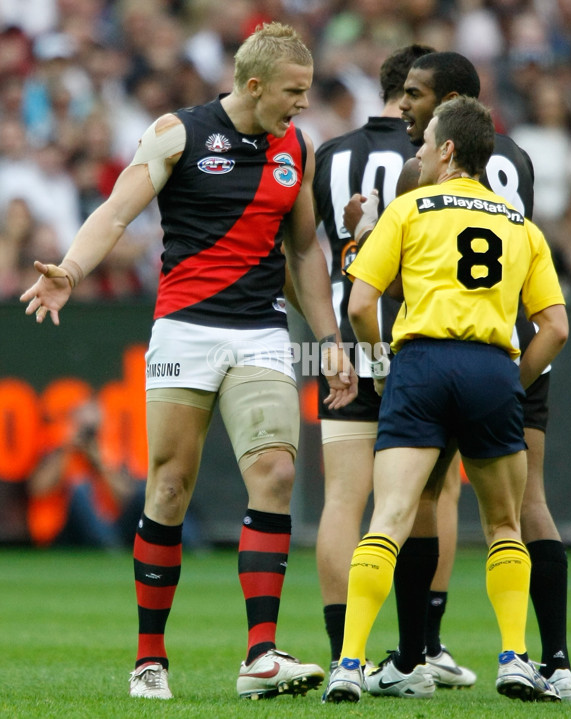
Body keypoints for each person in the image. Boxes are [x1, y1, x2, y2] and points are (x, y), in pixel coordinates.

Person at [20, 22, 357, 701]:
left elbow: (303, 256)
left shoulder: (299, 148)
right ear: (254, 85)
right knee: (169, 486)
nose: (302, 103)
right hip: (184, 331)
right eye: (293, 91)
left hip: (261, 331)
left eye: (308, 91)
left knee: (276, 470)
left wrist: (329, 338)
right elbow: (117, 212)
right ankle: (150, 658)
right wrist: (73, 270)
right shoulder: (178, 132)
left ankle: (261, 653)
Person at [344, 51, 571, 701]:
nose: (412, 147)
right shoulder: (519, 218)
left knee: (389, 513)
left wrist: (385, 367)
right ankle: (521, 656)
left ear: (446, 149)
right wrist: (516, 378)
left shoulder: (411, 207)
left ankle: (353, 663)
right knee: (510, 520)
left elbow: (361, 303)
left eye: (421, 140)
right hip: (495, 366)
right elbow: (556, 324)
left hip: (419, 362)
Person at [311, 44, 472, 691]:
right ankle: (423, 645)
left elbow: (316, 255)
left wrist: (330, 338)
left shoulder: (329, 155)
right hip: (422, 343)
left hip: (352, 339)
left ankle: (342, 647)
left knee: (346, 498)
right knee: (435, 494)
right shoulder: (433, 158)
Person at [27, 398, 145, 549]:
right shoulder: (58, 449)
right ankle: (109, 545)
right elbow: (38, 489)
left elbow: (127, 500)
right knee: (80, 489)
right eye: (83, 428)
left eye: (93, 430)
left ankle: (110, 545)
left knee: (140, 490)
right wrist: (67, 448)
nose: (87, 436)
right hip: (61, 529)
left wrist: (100, 463)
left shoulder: (110, 453)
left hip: (108, 526)